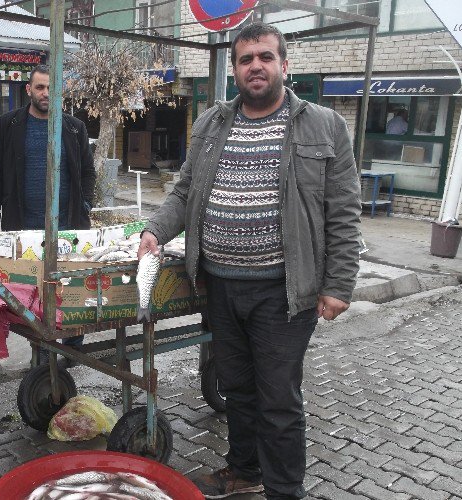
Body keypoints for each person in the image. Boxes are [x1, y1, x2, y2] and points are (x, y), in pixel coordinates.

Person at [138, 22, 361, 500]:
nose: (255, 66)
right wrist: (155, 230)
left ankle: (284, 491)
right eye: (245, 59)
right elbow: (183, 192)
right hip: (218, 284)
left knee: (278, 399)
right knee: (236, 387)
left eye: (264, 56)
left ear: (284, 64)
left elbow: (343, 212)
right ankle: (244, 469)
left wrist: (339, 283)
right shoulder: (211, 122)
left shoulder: (325, 125)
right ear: (235, 71)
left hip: (284, 289)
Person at [0, 64, 96, 361]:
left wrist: (85, 206)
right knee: (30, 291)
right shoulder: (9, 125)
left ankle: (72, 348)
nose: (46, 94)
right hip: (24, 224)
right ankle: (41, 353)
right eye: (41, 88)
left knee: (68, 286)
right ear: (29, 90)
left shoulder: (74, 127)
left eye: (52, 89)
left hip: (67, 226)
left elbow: (87, 173)